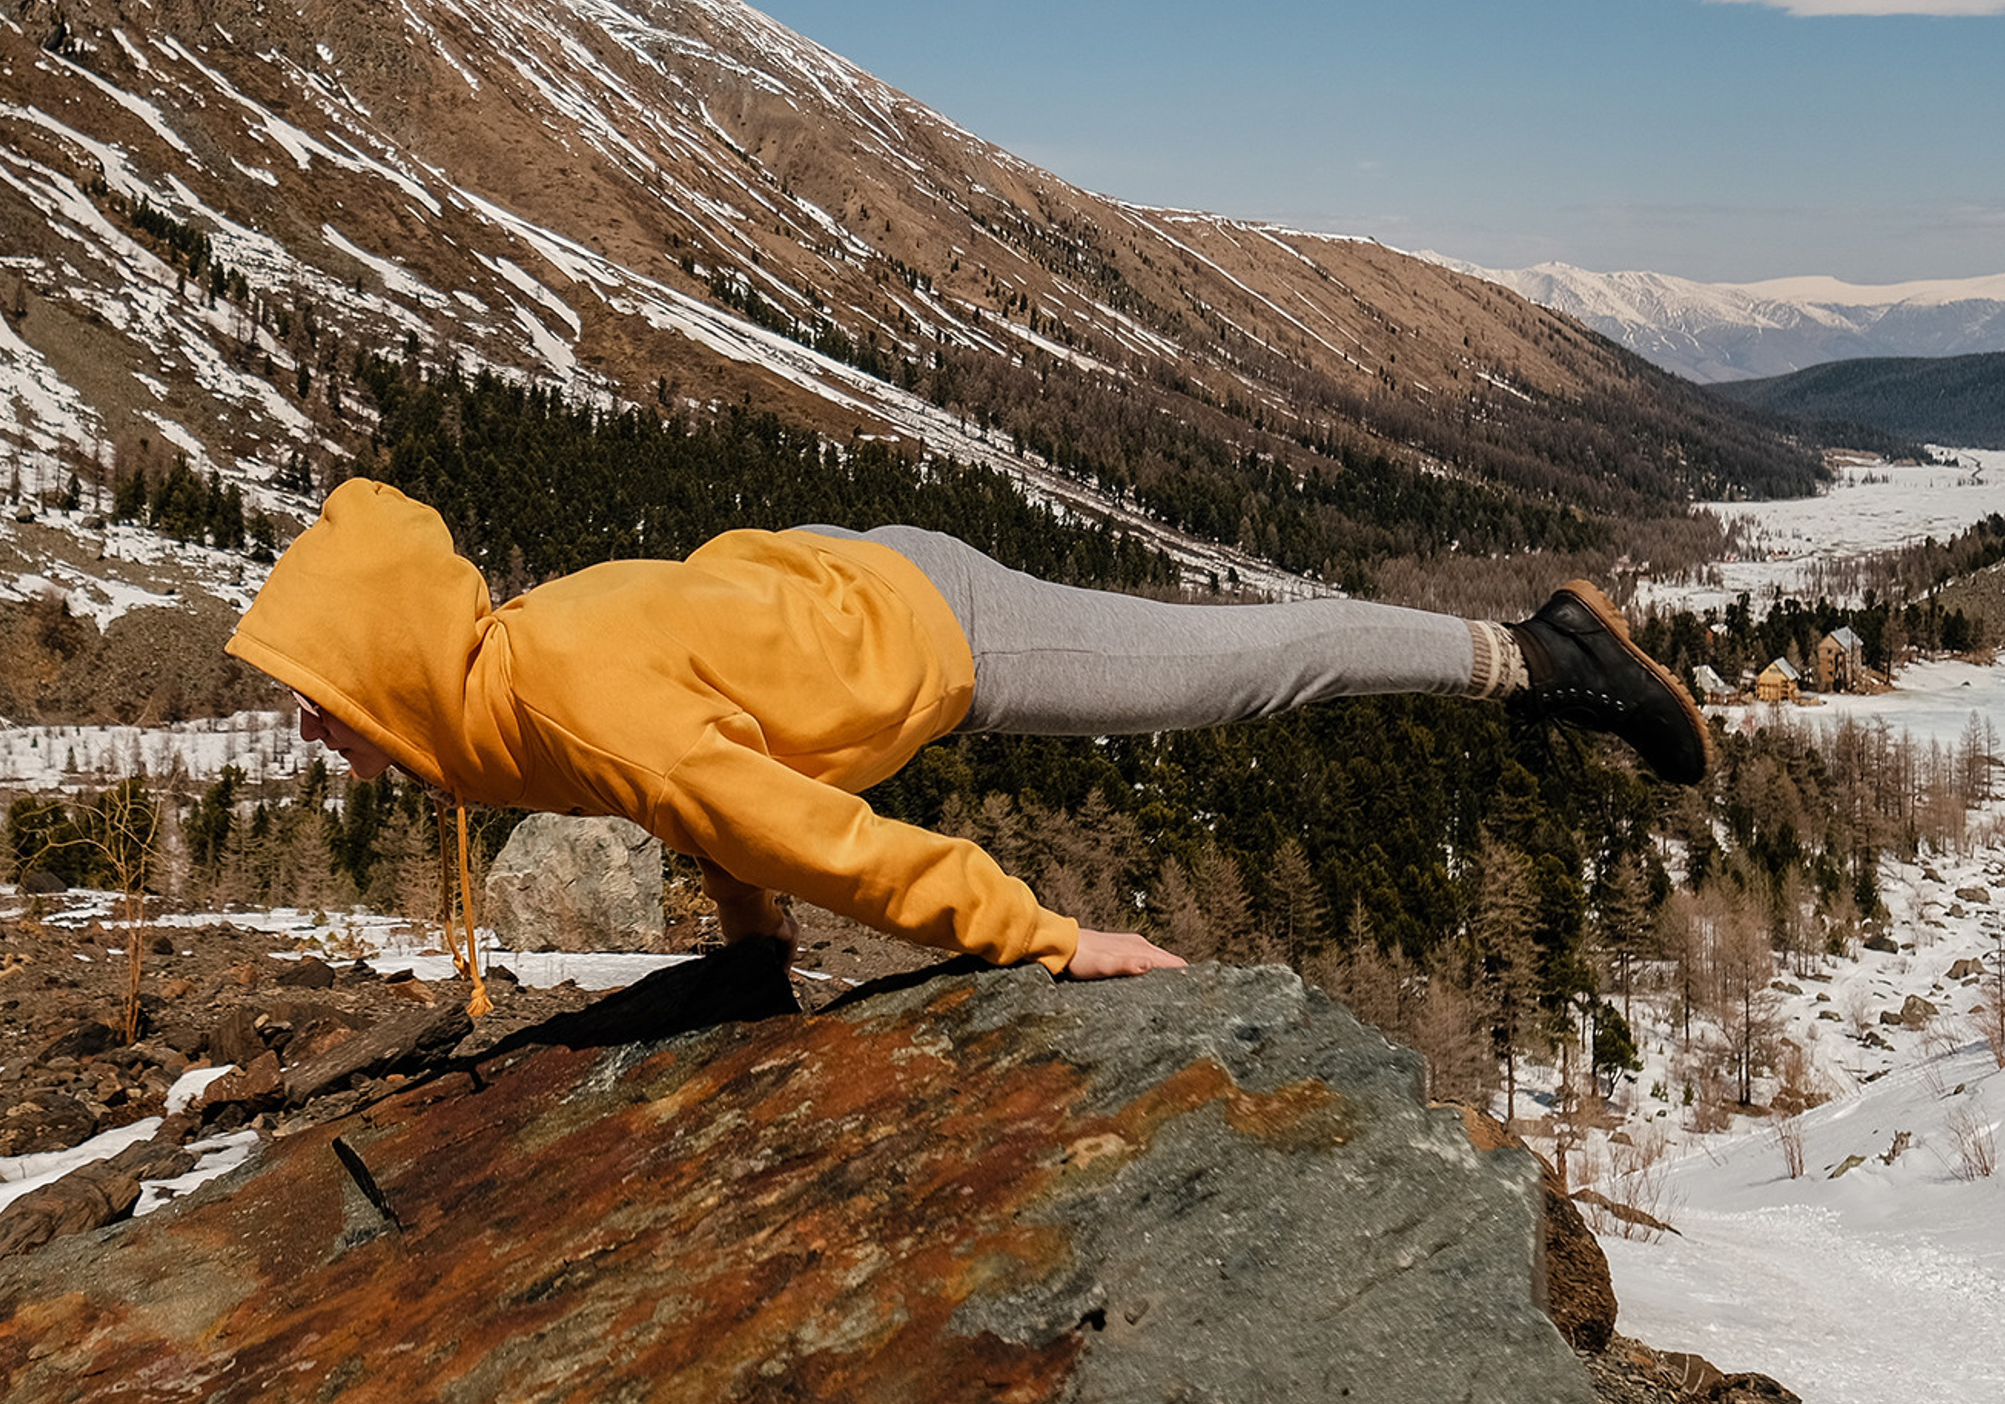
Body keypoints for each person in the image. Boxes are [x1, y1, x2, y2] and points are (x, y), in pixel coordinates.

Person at [225, 479, 1706, 981]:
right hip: (824, 582)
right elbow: (708, 777)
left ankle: (1536, 656)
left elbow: (812, 835)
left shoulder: (554, 697)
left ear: (391, 668)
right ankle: (1532, 657)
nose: (310, 730)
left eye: (322, 697)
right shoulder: (501, 678)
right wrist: (750, 943)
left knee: (1244, 667)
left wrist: (1044, 938)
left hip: (932, 620)